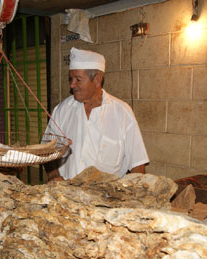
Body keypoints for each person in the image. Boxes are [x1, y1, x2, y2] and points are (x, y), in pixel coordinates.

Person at [45, 47, 149, 181]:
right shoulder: (62, 110)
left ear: (97, 80)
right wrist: (54, 176)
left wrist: (134, 194)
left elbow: (138, 165)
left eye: (78, 79)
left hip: (106, 200)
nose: (72, 85)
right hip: (66, 197)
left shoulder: (122, 113)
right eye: (70, 79)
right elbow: (46, 151)